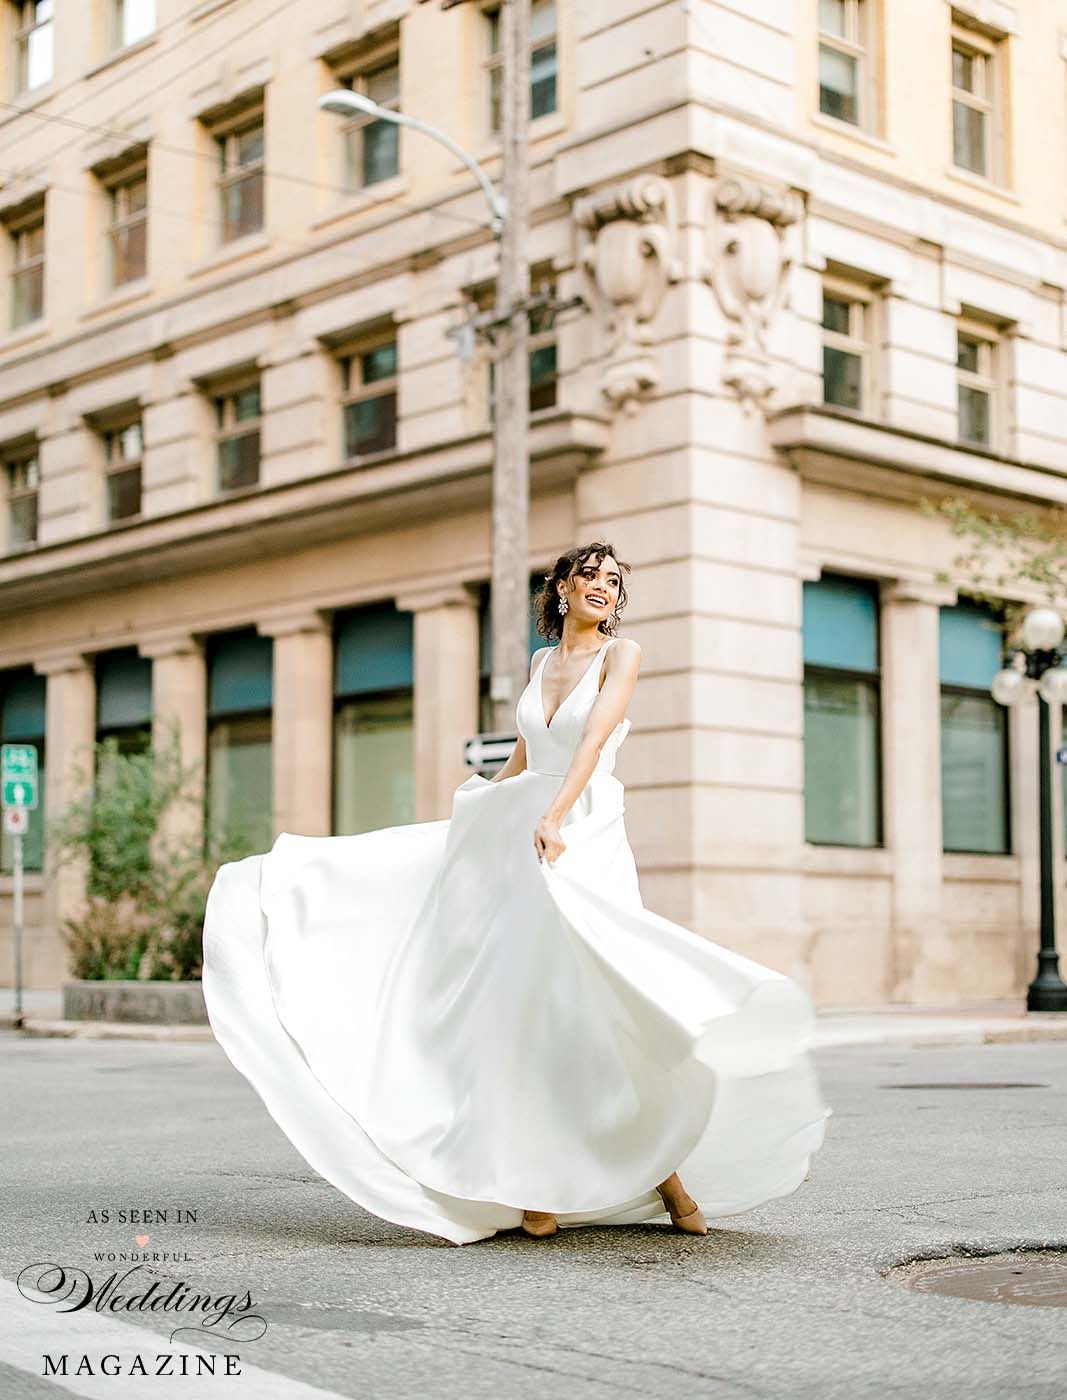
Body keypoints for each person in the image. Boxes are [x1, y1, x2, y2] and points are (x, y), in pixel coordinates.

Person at [202, 541, 831, 1246]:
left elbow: (591, 742)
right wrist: (476, 805)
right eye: (589, 575)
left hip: (582, 832)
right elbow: (526, 756)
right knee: (527, 1011)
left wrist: (556, 815)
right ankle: (541, 1185)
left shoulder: (622, 655)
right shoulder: (540, 664)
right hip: (524, 832)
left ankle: (671, 1183)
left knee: (597, 1007)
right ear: (561, 587)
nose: (602, 588)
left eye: (614, 582)